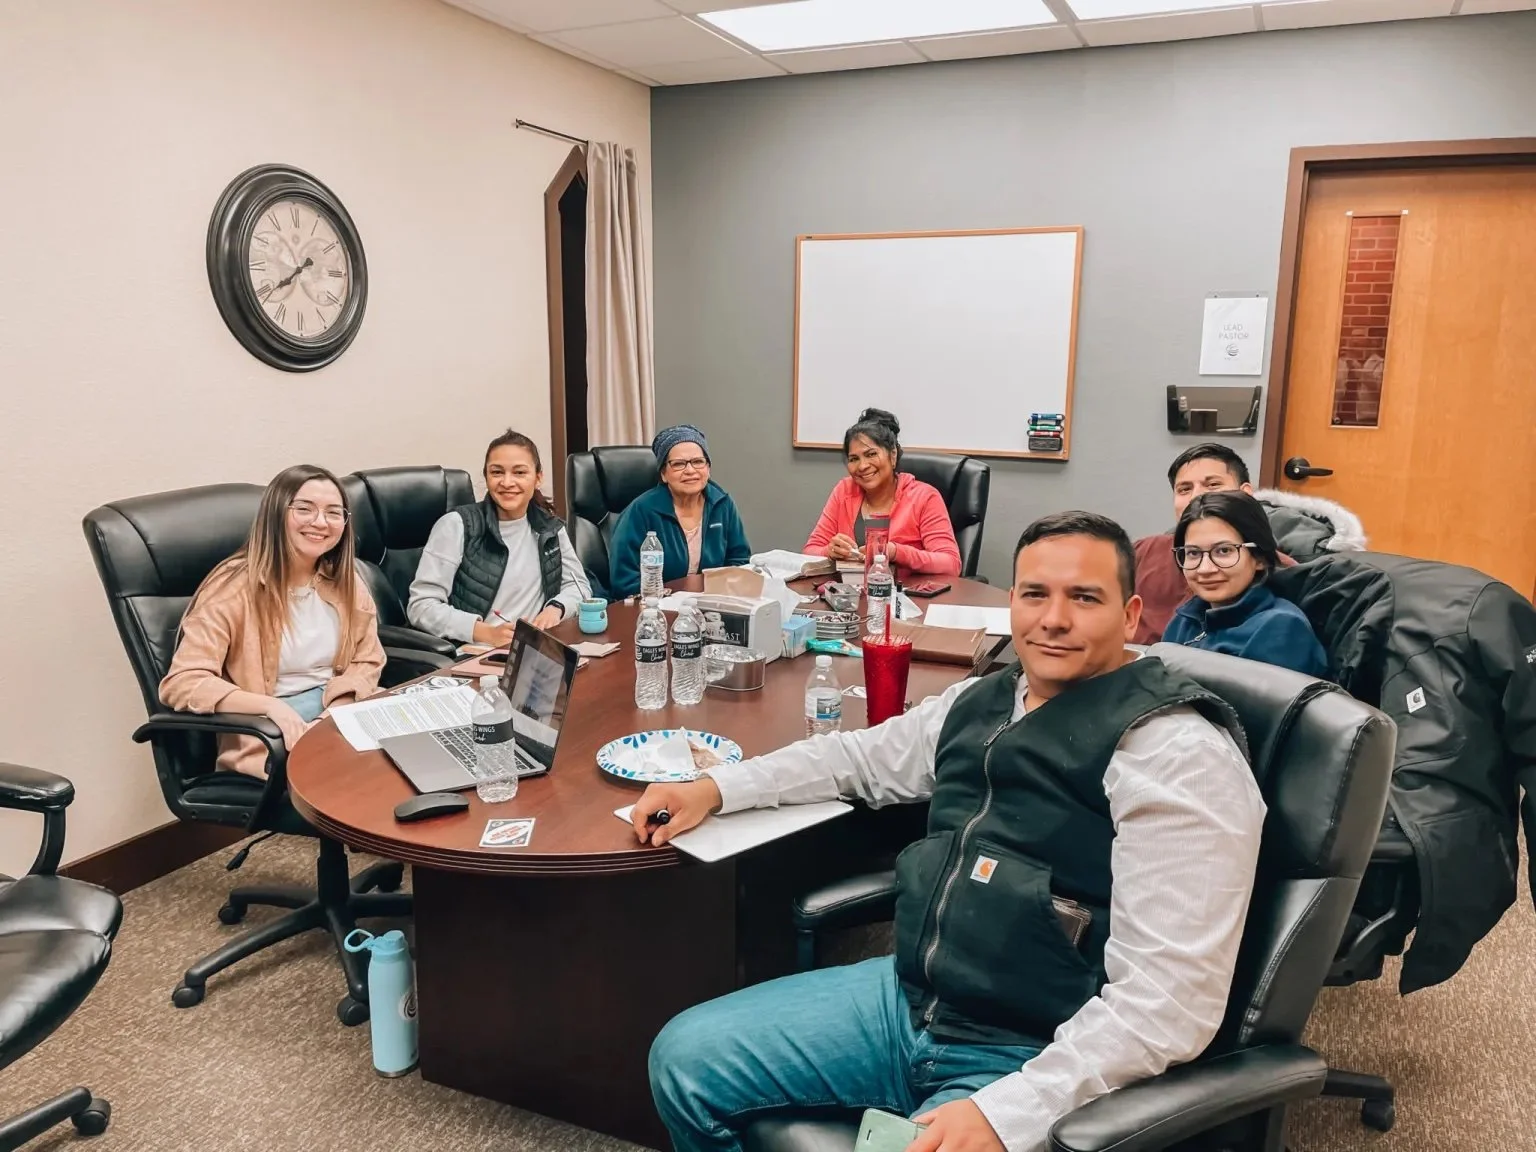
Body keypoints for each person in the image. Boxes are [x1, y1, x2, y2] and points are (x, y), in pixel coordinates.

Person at [635, 511, 1265, 1152]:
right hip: (911, 999)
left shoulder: (1176, 754)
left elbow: (1169, 1001)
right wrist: (717, 788)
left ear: (1130, 616)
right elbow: (855, 758)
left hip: (1036, 1045)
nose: (1053, 618)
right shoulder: (988, 699)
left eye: (1084, 597)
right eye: (1035, 594)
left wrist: (1008, 1112)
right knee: (685, 1061)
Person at [160, 465, 385, 777]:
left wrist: (337, 707)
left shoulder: (346, 582)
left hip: (338, 713)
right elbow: (183, 683)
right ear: (277, 513)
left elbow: (367, 659)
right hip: (271, 730)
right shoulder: (232, 587)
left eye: (334, 513)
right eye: (305, 509)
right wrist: (271, 708)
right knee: (370, 781)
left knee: (425, 757)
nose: (320, 522)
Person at [1133, 444, 1365, 645]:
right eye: (1184, 489)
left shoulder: (1280, 598)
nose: (1197, 497)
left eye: (1212, 485)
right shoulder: (1148, 552)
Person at [408, 429, 589, 646]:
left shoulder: (550, 527)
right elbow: (421, 606)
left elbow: (579, 587)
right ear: (486, 476)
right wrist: (484, 632)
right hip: (475, 655)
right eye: (497, 472)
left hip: (534, 650)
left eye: (519, 473)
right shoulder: (456, 525)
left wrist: (556, 608)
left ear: (538, 478)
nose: (507, 482)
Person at [1162, 491, 1329, 678]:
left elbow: (1258, 707)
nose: (1205, 569)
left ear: (1260, 558)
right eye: (1193, 553)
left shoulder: (1280, 627)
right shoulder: (1185, 619)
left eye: (1223, 551)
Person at [805, 408, 960, 577]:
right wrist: (830, 551)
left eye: (871, 454)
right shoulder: (844, 490)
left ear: (892, 455)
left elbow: (951, 564)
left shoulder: (924, 497)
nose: (862, 466)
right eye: (854, 459)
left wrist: (895, 552)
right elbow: (809, 552)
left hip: (906, 598)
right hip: (850, 597)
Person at [608, 424, 752, 599]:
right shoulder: (641, 511)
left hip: (712, 605)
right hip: (654, 609)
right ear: (663, 474)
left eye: (698, 462)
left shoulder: (722, 504)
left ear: (708, 468)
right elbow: (624, 581)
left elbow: (739, 562)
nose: (690, 470)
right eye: (679, 464)